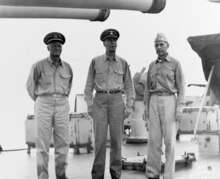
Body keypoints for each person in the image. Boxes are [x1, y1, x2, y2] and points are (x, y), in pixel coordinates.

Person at [84, 28, 134, 179]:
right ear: (104, 43)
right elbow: (88, 86)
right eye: (109, 41)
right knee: (99, 142)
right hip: (99, 101)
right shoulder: (95, 61)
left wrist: (129, 106)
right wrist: (89, 105)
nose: (112, 43)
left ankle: (115, 174)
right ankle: (97, 175)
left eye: (114, 40)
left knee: (117, 142)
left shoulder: (123, 63)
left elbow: (129, 87)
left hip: (117, 101)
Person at [26, 32, 73, 179]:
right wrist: (41, 101)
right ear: (48, 47)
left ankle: (61, 175)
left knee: (63, 143)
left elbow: (68, 87)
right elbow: (30, 87)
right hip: (43, 103)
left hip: (62, 103)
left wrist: (60, 100)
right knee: (42, 144)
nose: (56, 48)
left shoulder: (67, 68)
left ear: (62, 47)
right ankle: (43, 176)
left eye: (59, 45)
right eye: (53, 45)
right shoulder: (38, 66)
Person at [144, 33, 185, 179]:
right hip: (154, 100)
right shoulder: (151, 65)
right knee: (154, 140)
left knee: (169, 141)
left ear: (168, 45)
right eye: (156, 45)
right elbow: (147, 89)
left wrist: (179, 108)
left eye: (161, 44)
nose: (159, 47)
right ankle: (152, 174)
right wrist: (146, 108)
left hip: (169, 101)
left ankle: (168, 175)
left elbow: (181, 88)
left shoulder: (175, 63)